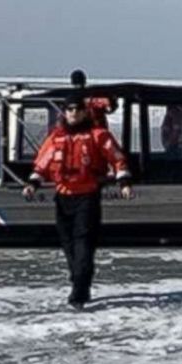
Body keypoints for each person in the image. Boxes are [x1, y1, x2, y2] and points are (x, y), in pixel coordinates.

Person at [23, 95, 133, 309]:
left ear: (85, 112)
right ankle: (80, 279)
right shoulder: (56, 137)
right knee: (68, 245)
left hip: (87, 197)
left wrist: (124, 182)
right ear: (64, 113)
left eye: (77, 109)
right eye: (69, 109)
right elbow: (42, 164)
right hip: (63, 197)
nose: (73, 113)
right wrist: (32, 184)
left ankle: (78, 295)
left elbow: (117, 158)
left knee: (83, 244)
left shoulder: (97, 135)